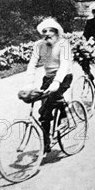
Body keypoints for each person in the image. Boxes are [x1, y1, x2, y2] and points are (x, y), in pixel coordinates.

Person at [24, 18, 73, 154]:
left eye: (51, 31)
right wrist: (29, 83)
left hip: (64, 77)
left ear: (57, 32)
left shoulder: (64, 44)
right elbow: (32, 64)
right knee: (43, 112)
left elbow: (64, 65)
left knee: (52, 99)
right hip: (48, 78)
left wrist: (57, 82)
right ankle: (46, 143)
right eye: (44, 31)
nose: (48, 34)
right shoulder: (39, 45)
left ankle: (64, 117)